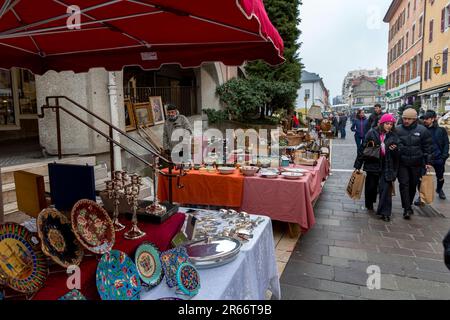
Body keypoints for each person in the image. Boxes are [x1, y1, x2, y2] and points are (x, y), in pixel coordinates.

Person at [354, 114, 399, 221]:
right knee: (371, 186)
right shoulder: (372, 133)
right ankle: (369, 204)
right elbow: (363, 148)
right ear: (382, 123)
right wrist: (358, 165)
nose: (389, 126)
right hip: (372, 164)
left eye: (391, 124)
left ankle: (385, 212)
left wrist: (395, 149)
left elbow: (399, 148)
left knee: (386, 189)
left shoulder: (393, 135)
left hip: (387, 165)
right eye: (387, 124)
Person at [396, 108, 433, 219]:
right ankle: (406, 208)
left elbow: (428, 147)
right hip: (402, 163)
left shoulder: (422, 130)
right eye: (404, 118)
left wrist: (428, 162)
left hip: (417, 163)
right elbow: (394, 144)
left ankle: (409, 204)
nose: (406, 121)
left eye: (409, 119)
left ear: (414, 119)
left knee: (412, 185)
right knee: (404, 184)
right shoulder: (397, 130)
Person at [416, 110, 449, 201]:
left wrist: (444, 156)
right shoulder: (422, 130)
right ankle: (421, 196)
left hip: (438, 158)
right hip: (425, 158)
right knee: (422, 177)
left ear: (433, 119)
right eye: (424, 119)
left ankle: (439, 189)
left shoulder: (441, 130)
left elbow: (446, 144)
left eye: (427, 119)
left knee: (440, 176)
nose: (425, 121)